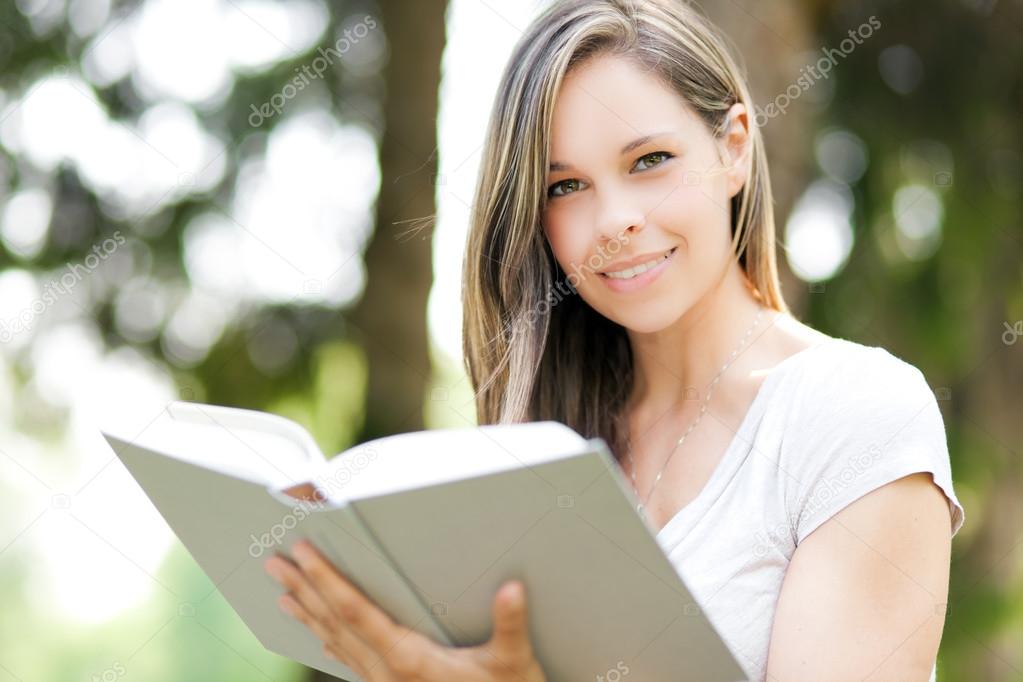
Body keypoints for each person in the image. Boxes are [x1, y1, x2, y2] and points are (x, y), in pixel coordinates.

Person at [265, 1, 965, 680]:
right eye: (565, 185)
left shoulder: (854, 415)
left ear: (733, 150)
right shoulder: (533, 445)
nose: (613, 220)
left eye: (649, 160)